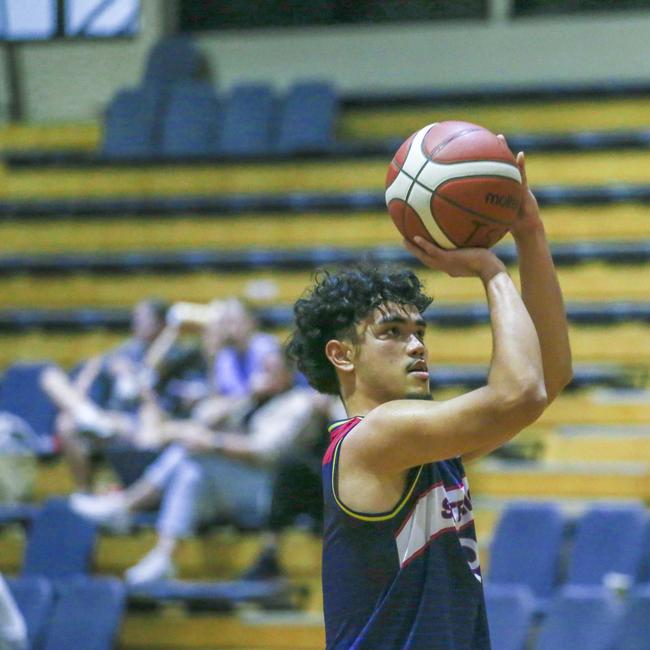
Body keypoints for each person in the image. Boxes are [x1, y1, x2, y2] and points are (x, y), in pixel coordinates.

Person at [285, 150, 572, 649]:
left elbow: (549, 377)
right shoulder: (375, 435)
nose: (416, 344)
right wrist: (490, 271)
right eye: (392, 332)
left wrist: (530, 233)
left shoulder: (423, 446)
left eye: (419, 331)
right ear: (342, 355)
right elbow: (521, 393)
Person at [70, 349, 329, 585]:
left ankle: (126, 506)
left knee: (192, 454)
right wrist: (246, 394)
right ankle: (163, 555)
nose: (260, 376)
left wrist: (213, 442)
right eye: (260, 370)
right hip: (231, 485)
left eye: (268, 371)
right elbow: (203, 418)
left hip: (269, 492)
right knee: (189, 472)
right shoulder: (250, 400)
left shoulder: (299, 403)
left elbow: (266, 451)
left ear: (287, 375)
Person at [40, 298, 169, 492]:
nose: (136, 323)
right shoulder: (126, 349)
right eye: (135, 317)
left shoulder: (173, 355)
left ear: (160, 324)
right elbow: (96, 365)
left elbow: (156, 408)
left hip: (133, 422)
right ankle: (87, 417)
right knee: (50, 381)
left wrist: (133, 378)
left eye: (142, 318)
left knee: (68, 423)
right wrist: (87, 378)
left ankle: (89, 419)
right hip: (104, 416)